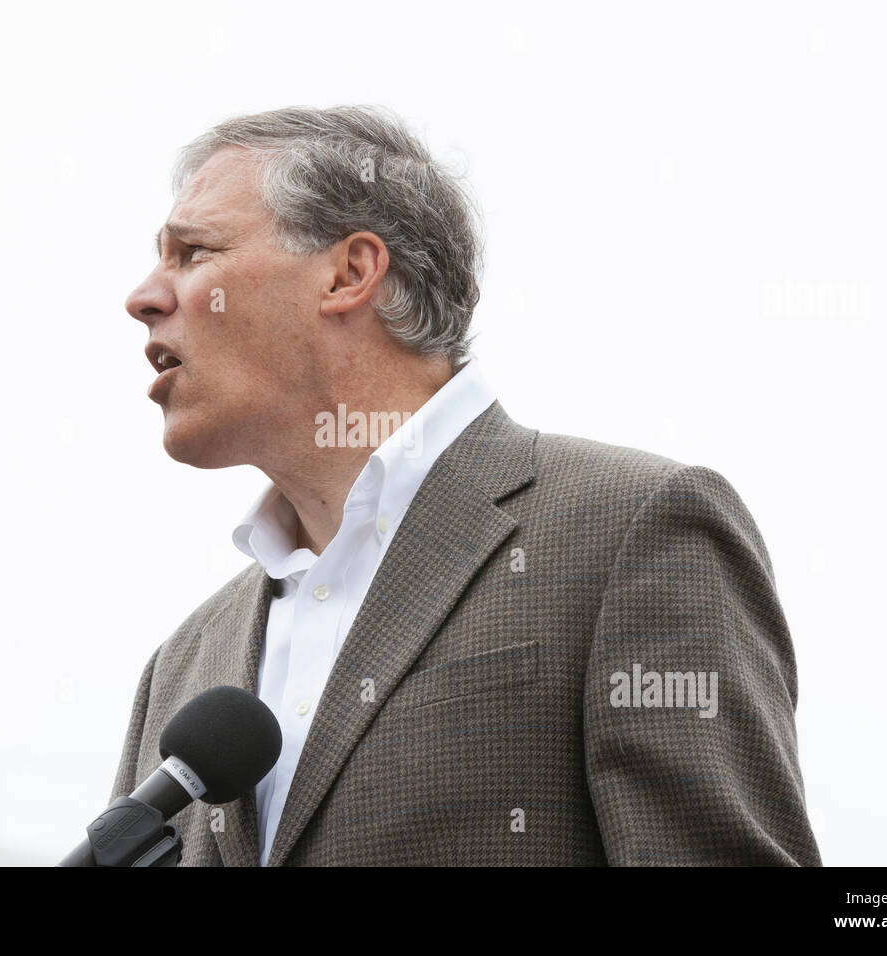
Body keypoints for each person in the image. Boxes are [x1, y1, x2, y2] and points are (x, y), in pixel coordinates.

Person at [110, 105, 821, 866]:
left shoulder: (634, 531)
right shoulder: (182, 666)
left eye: (193, 254)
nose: (144, 297)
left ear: (350, 273)